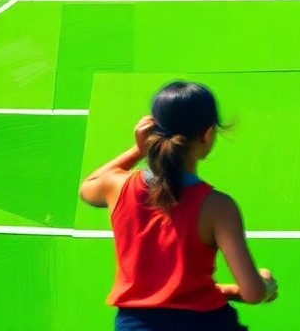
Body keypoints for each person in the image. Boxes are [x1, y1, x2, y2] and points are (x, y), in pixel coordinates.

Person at [79, 81, 279, 331]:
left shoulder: (116, 186)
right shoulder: (218, 207)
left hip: (134, 325)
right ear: (207, 135)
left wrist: (137, 151)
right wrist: (267, 285)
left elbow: (88, 187)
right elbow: (253, 292)